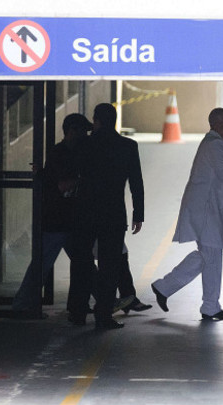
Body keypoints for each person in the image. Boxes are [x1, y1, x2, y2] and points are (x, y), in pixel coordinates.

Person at [151, 108, 223, 321]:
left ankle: (206, 304)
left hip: (207, 209)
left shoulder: (214, 144)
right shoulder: (215, 145)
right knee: (210, 255)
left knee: (210, 256)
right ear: (220, 124)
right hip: (206, 210)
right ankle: (168, 288)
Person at [69, 103, 144, 330]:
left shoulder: (84, 144)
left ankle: (78, 312)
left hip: (85, 211)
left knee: (81, 263)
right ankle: (103, 316)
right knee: (109, 267)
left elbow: (73, 173)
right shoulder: (128, 146)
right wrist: (138, 214)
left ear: (96, 121)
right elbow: (136, 184)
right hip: (113, 213)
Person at [12, 113, 93, 318]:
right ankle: (22, 305)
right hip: (57, 219)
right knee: (43, 264)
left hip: (69, 218)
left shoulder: (74, 152)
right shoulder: (61, 153)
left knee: (83, 263)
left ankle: (105, 300)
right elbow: (63, 185)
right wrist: (85, 179)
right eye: (82, 131)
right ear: (72, 131)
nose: (86, 135)